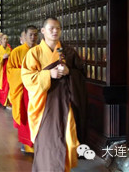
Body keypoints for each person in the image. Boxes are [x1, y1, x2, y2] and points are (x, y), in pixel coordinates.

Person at [21, 17, 86, 172]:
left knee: (67, 138)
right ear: (43, 31)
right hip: (44, 104)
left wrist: (70, 72)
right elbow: (27, 78)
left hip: (66, 102)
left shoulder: (69, 52)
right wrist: (47, 74)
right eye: (51, 28)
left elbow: (82, 74)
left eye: (58, 28)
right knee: (47, 141)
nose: (55, 31)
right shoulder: (34, 53)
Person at [7, 25, 38, 154]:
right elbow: (10, 71)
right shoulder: (17, 52)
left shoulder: (41, 50)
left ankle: (39, 143)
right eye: (30, 34)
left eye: (35, 35)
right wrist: (25, 73)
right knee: (26, 117)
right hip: (24, 90)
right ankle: (27, 144)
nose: (33, 37)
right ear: (24, 36)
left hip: (38, 90)